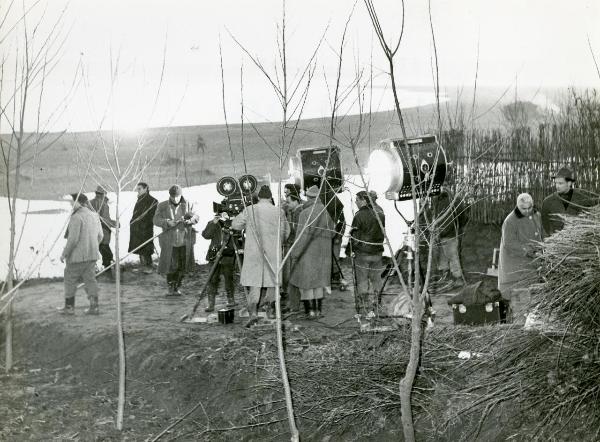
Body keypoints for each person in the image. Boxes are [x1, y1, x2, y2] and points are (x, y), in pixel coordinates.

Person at [232, 185, 289, 326]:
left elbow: (235, 225)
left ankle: (253, 313)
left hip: (254, 252)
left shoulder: (250, 209)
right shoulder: (279, 211)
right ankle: (270, 311)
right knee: (272, 282)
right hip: (272, 252)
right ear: (270, 198)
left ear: (258, 197)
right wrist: (277, 242)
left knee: (254, 283)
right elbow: (285, 233)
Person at [291, 185, 335, 318]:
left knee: (307, 284)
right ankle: (318, 311)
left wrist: (295, 253)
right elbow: (333, 233)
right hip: (323, 255)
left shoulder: (305, 213)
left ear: (308, 198)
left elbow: (302, 236)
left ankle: (310, 311)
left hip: (307, 255)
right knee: (318, 284)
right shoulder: (326, 212)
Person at [59, 192, 104, 315]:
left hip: (77, 257)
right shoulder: (95, 216)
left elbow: (73, 239)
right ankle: (94, 307)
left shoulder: (76, 217)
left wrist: (64, 254)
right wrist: (92, 247)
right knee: (90, 280)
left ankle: (69, 308)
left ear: (78, 202)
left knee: (69, 279)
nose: (70, 204)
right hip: (92, 255)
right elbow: (100, 236)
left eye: (72, 202)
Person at [153, 185, 199, 296]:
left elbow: (196, 216)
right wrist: (167, 222)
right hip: (170, 242)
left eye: (177, 196)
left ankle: (177, 287)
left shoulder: (188, 204)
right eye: (172, 196)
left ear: (181, 195)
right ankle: (170, 287)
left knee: (183, 266)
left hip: (185, 241)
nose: (175, 199)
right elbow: (155, 219)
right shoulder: (163, 205)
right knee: (171, 265)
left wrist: (190, 221)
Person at [498, 193, 543, 304]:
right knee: (519, 294)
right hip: (516, 264)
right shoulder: (510, 221)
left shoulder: (537, 215)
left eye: (530, 208)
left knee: (532, 292)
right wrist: (528, 250)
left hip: (532, 261)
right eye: (524, 209)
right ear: (518, 206)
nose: (527, 211)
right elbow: (509, 243)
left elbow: (541, 233)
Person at [350, 190, 386, 314]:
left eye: (357, 200)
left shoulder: (359, 216)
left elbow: (354, 236)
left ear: (364, 201)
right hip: (377, 252)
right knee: (376, 279)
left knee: (362, 280)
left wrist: (351, 250)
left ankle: (364, 306)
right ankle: (377, 304)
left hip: (363, 254)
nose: (356, 202)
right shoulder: (380, 213)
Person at [428, 188, 470, 292]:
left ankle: (458, 279)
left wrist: (441, 232)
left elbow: (456, 218)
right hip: (442, 233)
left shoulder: (450, 200)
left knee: (452, 256)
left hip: (449, 233)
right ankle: (446, 278)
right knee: (443, 256)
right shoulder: (438, 199)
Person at [541, 167, 598, 236]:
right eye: (556, 183)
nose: (557, 186)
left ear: (569, 183)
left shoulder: (582, 196)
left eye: (560, 183)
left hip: (577, 239)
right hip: (556, 241)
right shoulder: (548, 202)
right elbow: (545, 224)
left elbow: (596, 202)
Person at [202, 206, 237, 312]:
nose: (223, 215)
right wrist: (213, 222)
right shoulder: (214, 223)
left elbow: (238, 237)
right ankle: (211, 303)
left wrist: (231, 223)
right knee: (212, 279)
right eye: (222, 213)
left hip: (227, 256)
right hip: (214, 256)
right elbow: (206, 235)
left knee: (228, 278)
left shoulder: (234, 224)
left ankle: (230, 299)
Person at [128, 182, 158, 274]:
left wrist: (143, 224)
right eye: (137, 189)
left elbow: (152, 216)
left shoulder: (152, 201)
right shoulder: (140, 199)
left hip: (145, 228)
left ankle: (148, 266)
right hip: (136, 227)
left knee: (146, 247)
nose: (138, 191)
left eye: (140, 189)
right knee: (139, 247)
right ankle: (144, 265)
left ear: (146, 189)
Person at [283, 192, 305, 313]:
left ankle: (294, 304)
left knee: (292, 276)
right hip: (296, 247)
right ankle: (293, 303)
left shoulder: (298, 212)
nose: (287, 204)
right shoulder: (296, 211)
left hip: (295, 248)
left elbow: (297, 232)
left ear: (296, 201)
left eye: (289, 202)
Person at [89, 185, 117, 275]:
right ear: (104, 194)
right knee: (105, 251)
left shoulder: (89, 203)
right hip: (103, 232)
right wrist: (116, 224)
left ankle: (95, 269)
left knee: (98, 250)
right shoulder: (104, 205)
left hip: (92, 232)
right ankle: (108, 270)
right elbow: (105, 220)